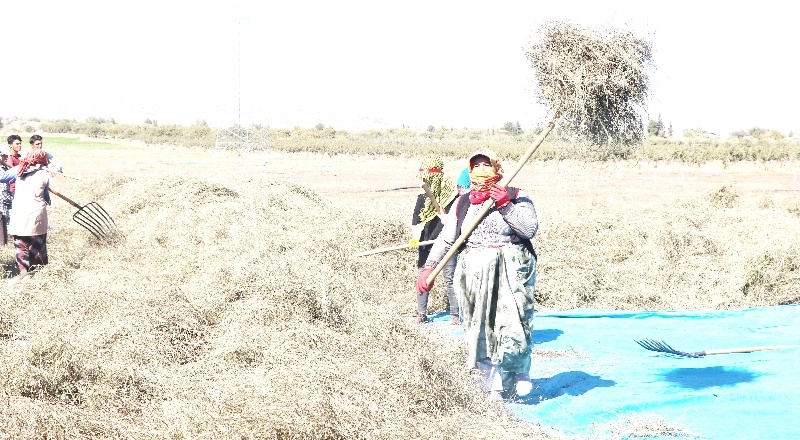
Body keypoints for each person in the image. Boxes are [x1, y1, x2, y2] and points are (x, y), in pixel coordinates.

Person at [416, 148, 538, 399]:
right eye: (476, 166)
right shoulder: (463, 202)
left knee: (514, 324)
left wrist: (505, 205)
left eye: (487, 166)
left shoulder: (516, 195)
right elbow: (447, 239)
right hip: (474, 271)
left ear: (497, 169)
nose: (482, 171)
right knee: (480, 328)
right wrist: (429, 267)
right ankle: (491, 383)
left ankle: (518, 372)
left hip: (511, 269)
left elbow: (529, 229)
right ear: (469, 171)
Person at [411, 154, 460, 324]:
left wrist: (445, 220)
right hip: (426, 243)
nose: (425, 180)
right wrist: (414, 236)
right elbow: (416, 220)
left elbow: (456, 220)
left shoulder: (451, 195)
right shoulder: (423, 195)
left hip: (448, 242)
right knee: (423, 278)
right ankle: (421, 313)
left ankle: (455, 314)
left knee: (450, 278)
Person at [7, 150, 51, 281]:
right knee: (36, 244)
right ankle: (38, 272)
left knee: (21, 244)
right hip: (36, 214)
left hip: (19, 214)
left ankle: (23, 273)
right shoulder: (44, 174)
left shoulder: (17, 170)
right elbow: (47, 197)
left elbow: (2, 176)